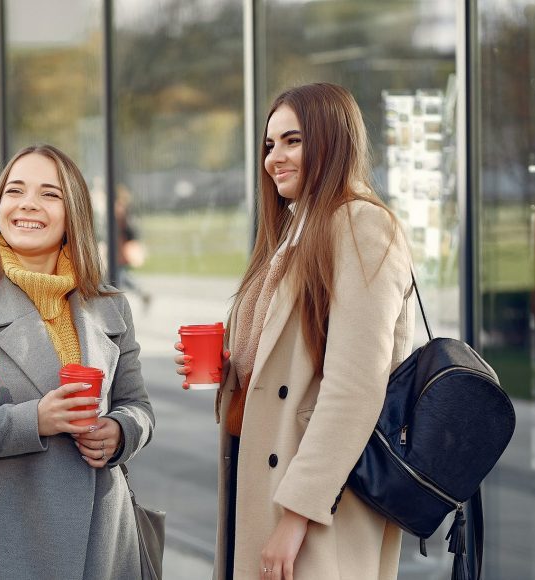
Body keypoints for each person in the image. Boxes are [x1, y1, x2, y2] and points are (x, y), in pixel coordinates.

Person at [175, 83, 414, 580]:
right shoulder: (297, 231)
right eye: (269, 145)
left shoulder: (362, 226)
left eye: (292, 141)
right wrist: (231, 366)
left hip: (314, 496)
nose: (274, 158)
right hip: (262, 470)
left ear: (332, 141)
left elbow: (354, 388)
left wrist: (296, 517)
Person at [0, 144, 155, 580]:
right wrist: (36, 418)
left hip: (103, 543)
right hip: (0, 545)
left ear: (72, 211)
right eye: (15, 191)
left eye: (49, 194)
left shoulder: (110, 305)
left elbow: (138, 405)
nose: (28, 205)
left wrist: (120, 431)